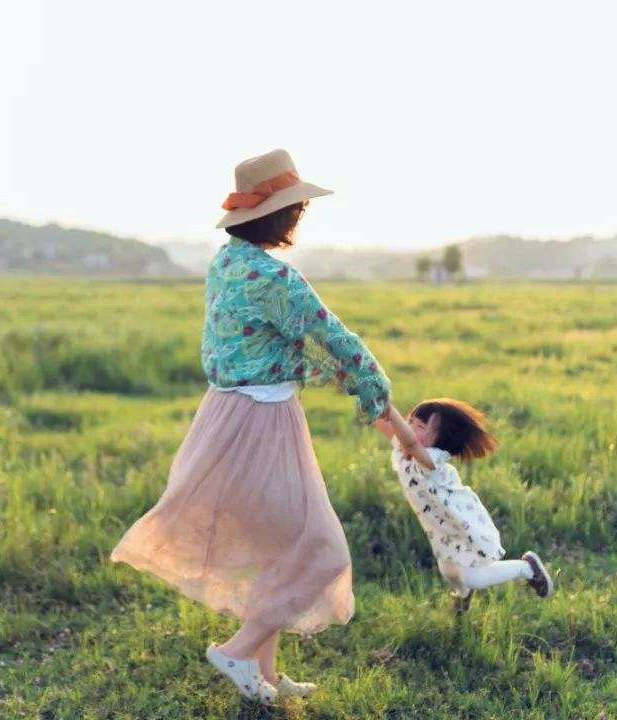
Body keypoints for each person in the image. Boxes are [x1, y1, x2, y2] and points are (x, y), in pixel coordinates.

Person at [110, 149, 430, 704]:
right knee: (321, 549)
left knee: (277, 547)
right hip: (260, 422)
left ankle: (265, 674)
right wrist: (382, 400)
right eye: (297, 210)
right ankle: (236, 652)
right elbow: (339, 343)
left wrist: (378, 411)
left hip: (224, 417)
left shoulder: (228, 262)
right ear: (283, 216)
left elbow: (279, 344)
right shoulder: (277, 278)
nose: (299, 219)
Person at [376, 398, 555, 615]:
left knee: (473, 576)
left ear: (439, 440)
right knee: (448, 570)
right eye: (410, 421)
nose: (410, 428)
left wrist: (391, 410)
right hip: (442, 528)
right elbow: (386, 425)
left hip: (461, 523)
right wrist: (366, 397)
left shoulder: (431, 461)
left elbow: (410, 441)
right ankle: (464, 595)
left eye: (420, 426)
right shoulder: (407, 447)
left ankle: (527, 568)